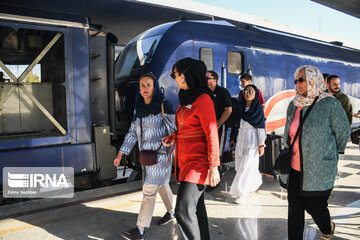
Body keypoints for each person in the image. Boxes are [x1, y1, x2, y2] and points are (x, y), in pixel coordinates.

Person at [280, 65, 350, 240]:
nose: (297, 83)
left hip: (318, 168)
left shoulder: (329, 103)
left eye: (301, 79)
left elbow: (343, 131)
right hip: (294, 168)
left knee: (315, 207)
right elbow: (288, 132)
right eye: (295, 80)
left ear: (313, 79)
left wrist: (330, 153)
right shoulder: (294, 104)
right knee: (294, 209)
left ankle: (327, 229)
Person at [163, 58, 221, 240]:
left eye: (176, 74)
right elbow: (189, 128)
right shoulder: (187, 97)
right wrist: (173, 137)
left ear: (186, 74)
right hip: (186, 162)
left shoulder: (203, 99)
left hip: (199, 164)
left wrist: (214, 166)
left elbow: (211, 133)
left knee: (182, 211)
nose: (174, 78)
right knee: (196, 209)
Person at [113, 73, 176, 240]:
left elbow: (176, 132)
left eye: (148, 85)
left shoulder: (164, 106)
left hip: (161, 156)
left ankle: (140, 229)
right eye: (142, 85)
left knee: (149, 191)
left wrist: (170, 144)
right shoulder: (139, 109)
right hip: (146, 157)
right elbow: (133, 133)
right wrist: (121, 153)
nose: (145, 88)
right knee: (161, 185)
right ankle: (171, 213)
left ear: (155, 87)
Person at [229, 84, 266, 204]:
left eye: (251, 92)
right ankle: (254, 183)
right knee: (242, 165)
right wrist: (233, 138)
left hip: (252, 140)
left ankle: (241, 193)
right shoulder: (240, 107)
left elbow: (260, 128)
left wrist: (261, 144)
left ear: (255, 94)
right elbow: (236, 124)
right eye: (246, 91)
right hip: (241, 138)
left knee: (245, 166)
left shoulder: (258, 110)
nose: (248, 94)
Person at [206, 70, 232, 176]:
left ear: (215, 80)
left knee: (217, 150)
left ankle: (217, 177)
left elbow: (228, 110)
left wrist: (218, 124)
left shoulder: (222, 92)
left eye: (207, 78)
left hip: (219, 126)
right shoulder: (205, 92)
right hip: (206, 126)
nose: (205, 80)